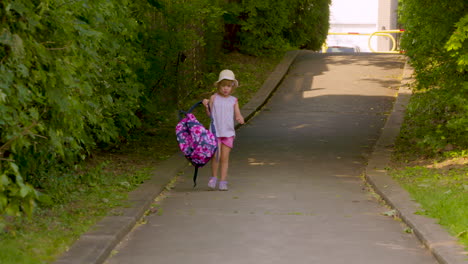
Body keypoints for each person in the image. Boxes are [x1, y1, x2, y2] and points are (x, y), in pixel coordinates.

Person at [202, 69, 244, 191]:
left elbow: (237, 114)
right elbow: (210, 114)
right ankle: (214, 177)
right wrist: (206, 105)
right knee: (216, 157)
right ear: (219, 86)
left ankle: (223, 180)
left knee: (225, 158)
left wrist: (239, 117)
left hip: (228, 133)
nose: (226, 88)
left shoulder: (233, 100)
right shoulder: (214, 98)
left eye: (229, 86)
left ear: (232, 87)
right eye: (223, 85)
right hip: (215, 132)